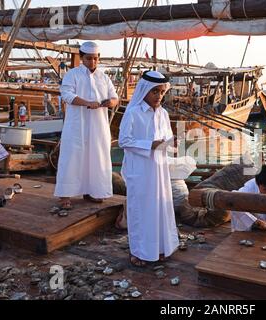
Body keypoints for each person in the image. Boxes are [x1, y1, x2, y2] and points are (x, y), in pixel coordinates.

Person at [119, 70, 179, 266]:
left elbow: (167, 138)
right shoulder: (133, 112)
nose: (159, 96)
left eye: (162, 92)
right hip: (140, 169)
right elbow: (124, 141)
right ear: (144, 91)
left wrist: (172, 144)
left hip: (159, 169)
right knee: (140, 210)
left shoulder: (163, 113)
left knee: (159, 207)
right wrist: (150, 145)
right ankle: (138, 252)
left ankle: (159, 248)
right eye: (155, 92)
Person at [54, 41, 119, 210]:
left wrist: (109, 102)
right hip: (77, 124)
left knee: (97, 157)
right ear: (82, 58)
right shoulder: (72, 74)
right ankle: (65, 195)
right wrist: (87, 103)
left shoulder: (104, 77)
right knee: (72, 157)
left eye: (96, 59)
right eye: (89, 58)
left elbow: (115, 98)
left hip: (98, 125)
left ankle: (93, 191)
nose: (93, 62)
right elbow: (66, 94)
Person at [231, 164, 266, 232]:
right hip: (251, 217)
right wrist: (255, 221)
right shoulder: (248, 189)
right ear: (258, 184)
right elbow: (233, 204)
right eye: (265, 189)